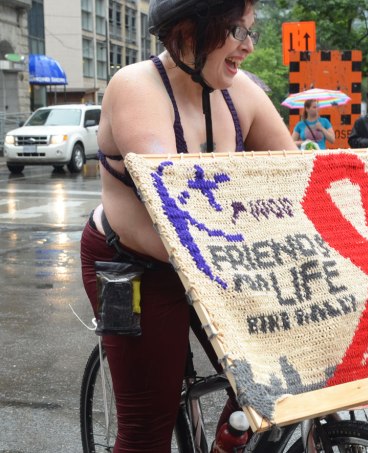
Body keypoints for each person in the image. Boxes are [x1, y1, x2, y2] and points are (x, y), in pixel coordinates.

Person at [80, 1, 297, 451]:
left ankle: (225, 440)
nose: (249, 47)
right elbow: (176, 203)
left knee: (282, 380)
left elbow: (296, 182)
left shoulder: (245, 94)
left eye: (252, 32)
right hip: (133, 267)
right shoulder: (137, 86)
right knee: (147, 431)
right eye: (238, 30)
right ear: (188, 31)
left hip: (217, 263)